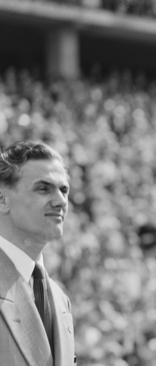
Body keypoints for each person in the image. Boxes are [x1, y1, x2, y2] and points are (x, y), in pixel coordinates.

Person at [0, 141, 76, 366]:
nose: (60, 201)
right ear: (2, 199)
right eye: (43, 188)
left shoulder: (61, 301)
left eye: (64, 190)